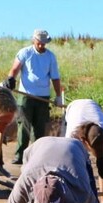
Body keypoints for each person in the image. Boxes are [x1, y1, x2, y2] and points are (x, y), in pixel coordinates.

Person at [7, 29, 64, 163]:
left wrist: (58, 96)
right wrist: (11, 78)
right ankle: (20, 156)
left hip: (42, 97)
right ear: (34, 40)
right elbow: (15, 68)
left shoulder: (50, 57)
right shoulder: (25, 53)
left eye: (43, 43)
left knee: (39, 128)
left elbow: (55, 78)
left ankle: (37, 156)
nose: (41, 45)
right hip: (26, 96)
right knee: (24, 125)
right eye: (39, 42)